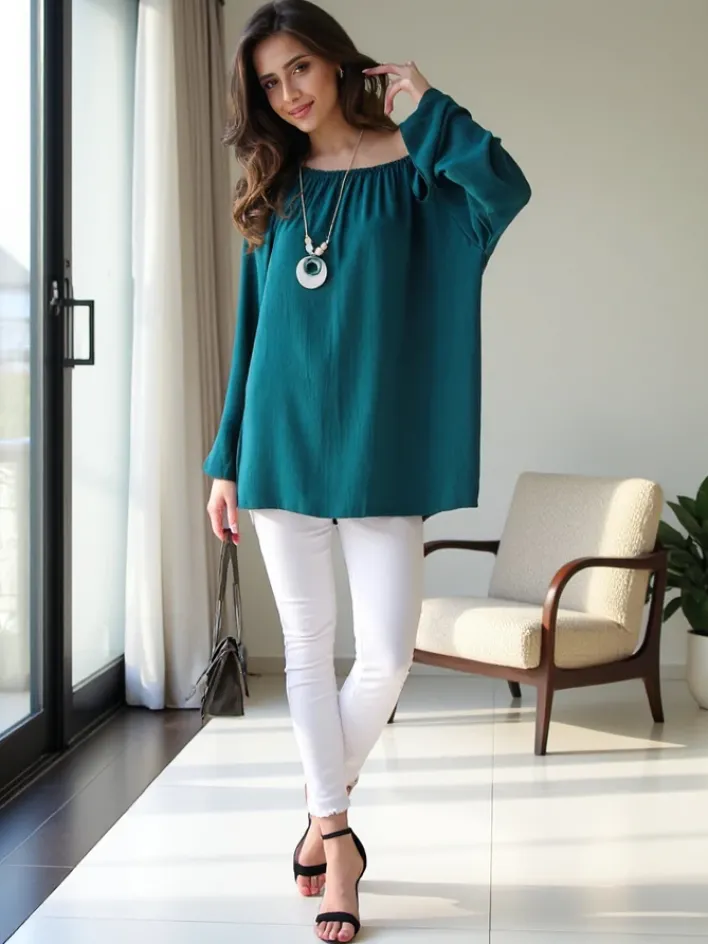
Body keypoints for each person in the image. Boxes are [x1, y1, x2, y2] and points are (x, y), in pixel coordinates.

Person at [204, 1, 530, 940]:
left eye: (300, 69)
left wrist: (431, 109)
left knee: (387, 653)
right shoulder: (275, 186)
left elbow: (505, 190)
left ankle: (318, 814)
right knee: (308, 647)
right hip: (279, 440)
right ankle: (340, 842)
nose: (288, 94)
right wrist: (224, 459)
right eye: (270, 83)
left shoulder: (421, 172)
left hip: (382, 442)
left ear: (339, 62)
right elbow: (252, 335)